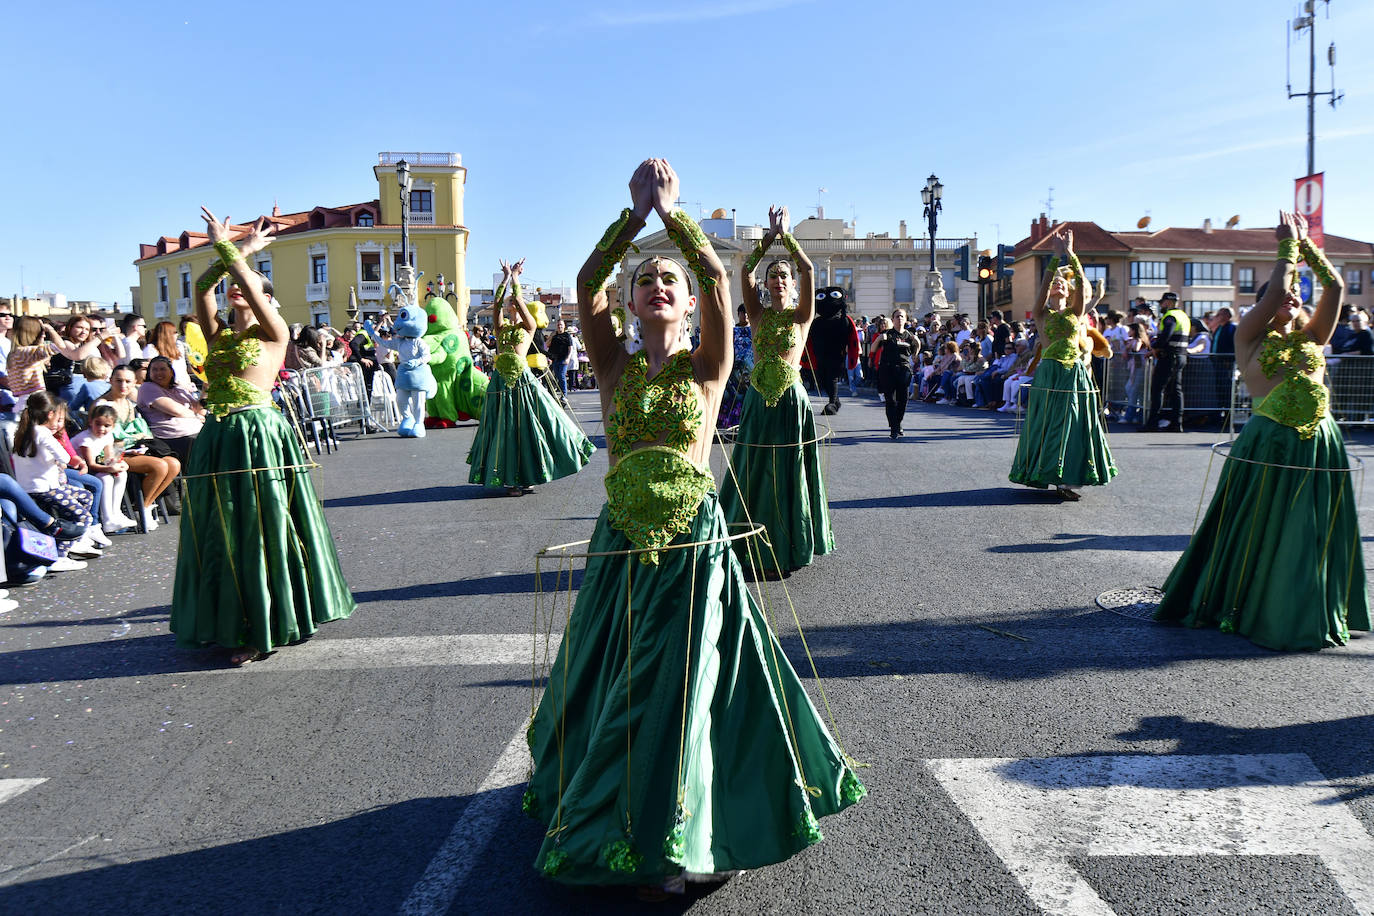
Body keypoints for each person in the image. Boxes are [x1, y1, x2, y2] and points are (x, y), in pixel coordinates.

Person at [526, 160, 862, 891]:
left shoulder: (709, 366)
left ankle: (682, 829)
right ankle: (616, 807)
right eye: (644, 281)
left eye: (666, 281)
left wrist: (674, 217)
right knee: (614, 676)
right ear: (631, 303)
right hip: (622, 541)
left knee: (683, 681)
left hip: (690, 543)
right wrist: (631, 220)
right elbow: (586, 287)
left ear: (683, 307)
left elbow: (716, 281)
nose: (656, 286)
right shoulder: (612, 366)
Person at [1156, 211, 1369, 650]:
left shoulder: (1315, 337)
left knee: (1306, 527)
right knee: (1262, 524)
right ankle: (1250, 601)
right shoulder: (1249, 337)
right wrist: (1286, 250)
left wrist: (1308, 244)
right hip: (1269, 439)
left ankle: (1304, 603)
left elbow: (1334, 287)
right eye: (1280, 294)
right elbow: (1274, 291)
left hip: (1319, 443)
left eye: (1294, 294)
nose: (1288, 297)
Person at [170, 209, 355, 666]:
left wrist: (242, 255)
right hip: (218, 435)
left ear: (266, 298)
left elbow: (250, 287)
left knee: (262, 525)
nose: (240, 284)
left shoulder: (273, 333)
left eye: (250, 283)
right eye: (237, 280)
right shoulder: (217, 337)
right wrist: (229, 252)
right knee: (223, 529)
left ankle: (264, 622)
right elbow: (199, 289)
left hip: (259, 432)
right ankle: (230, 618)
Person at [718, 204, 833, 577]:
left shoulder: (803, 316)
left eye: (784, 276)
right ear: (766, 286)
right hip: (757, 400)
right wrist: (768, 239)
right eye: (774, 277)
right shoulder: (758, 315)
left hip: (791, 402)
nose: (779, 280)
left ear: (793, 285)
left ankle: (790, 541)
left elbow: (809, 268)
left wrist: (788, 237)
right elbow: (744, 271)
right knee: (753, 468)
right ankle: (744, 538)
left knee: (789, 469)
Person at [466, 259, 594, 496]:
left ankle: (525, 476)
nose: (511, 306)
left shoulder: (529, 327)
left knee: (525, 429)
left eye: (515, 304)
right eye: (510, 304)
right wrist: (505, 278)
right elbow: (495, 306)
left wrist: (516, 279)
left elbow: (521, 308)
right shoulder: (500, 329)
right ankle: (512, 480)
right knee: (503, 430)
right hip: (500, 383)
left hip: (522, 381)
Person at [1008, 229, 1117, 500]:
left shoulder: (1075, 312)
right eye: (1055, 283)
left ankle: (1067, 478)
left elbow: (1082, 284)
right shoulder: (1042, 314)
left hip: (1074, 372)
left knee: (1073, 421)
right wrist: (1055, 259)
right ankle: (1043, 471)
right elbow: (1044, 285)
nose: (1058, 284)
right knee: (1048, 421)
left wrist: (1070, 253)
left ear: (1068, 291)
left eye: (1062, 283)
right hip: (1049, 371)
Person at [9, 391, 103, 564]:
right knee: (84, 517)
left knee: (85, 496)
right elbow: (65, 458)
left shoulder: (23, 430)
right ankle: (60, 556)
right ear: (50, 414)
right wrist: (74, 462)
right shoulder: (43, 433)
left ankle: (73, 541)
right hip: (44, 489)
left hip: (33, 487)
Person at [96, 364, 181, 531]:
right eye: (119, 381)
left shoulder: (129, 403)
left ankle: (145, 505)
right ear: (111, 380)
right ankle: (143, 509)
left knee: (174, 464)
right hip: (110, 453)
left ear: (135, 383)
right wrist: (133, 441)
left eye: (128, 381)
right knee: (159, 465)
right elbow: (103, 439)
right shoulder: (103, 404)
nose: (123, 385)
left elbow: (141, 433)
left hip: (132, 449)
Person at [7, 316, 99, 413]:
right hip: (33, 402)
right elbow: (60, 346)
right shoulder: (28, 352)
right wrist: (50, 329)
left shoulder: (15, 354)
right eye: (40, 332)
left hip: (22, 401)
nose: (43, 335)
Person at [71, 404, 139, 533]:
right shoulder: (85, 439)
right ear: (90, 422)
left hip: (90, 467)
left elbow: (109, 458)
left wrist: (119, 464)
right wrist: (110, 469)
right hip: (78, 468)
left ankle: (116, 513)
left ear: (113, 426)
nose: (101, 429)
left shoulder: (108, 436)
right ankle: (107, 519)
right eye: (98, 424)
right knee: (105, 478)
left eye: (107, 426)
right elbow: (91, 465)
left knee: (122, 473)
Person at [136, 355, 204, 462]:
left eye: (163, 369)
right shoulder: (147, 388)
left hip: (196, 431)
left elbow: (200, 409)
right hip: (174, 437)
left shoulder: (179, 389)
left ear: (171, 372)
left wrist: (205, 389)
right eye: (154, 370)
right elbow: (177, 411)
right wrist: (196, 416)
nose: (158, 373)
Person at [1146, 291, 1189, 431]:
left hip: (1169, 356)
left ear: (1169, 302)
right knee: (1176, 390)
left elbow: (1166, 336)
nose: (1161, 306)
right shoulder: (1183, 316)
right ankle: (1177, 423)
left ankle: (1152, 423)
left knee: (1157, 389)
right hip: (1181, 356)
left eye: (1162, 303)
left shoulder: (1170, 316)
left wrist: (1154, 346)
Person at [143, 320, 193, 388]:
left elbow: (183, 371)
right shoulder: (151, 349)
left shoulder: (179, 346)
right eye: (174, 332)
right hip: (165, 389)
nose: (177, 335)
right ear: (167, 334)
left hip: (185, 387)